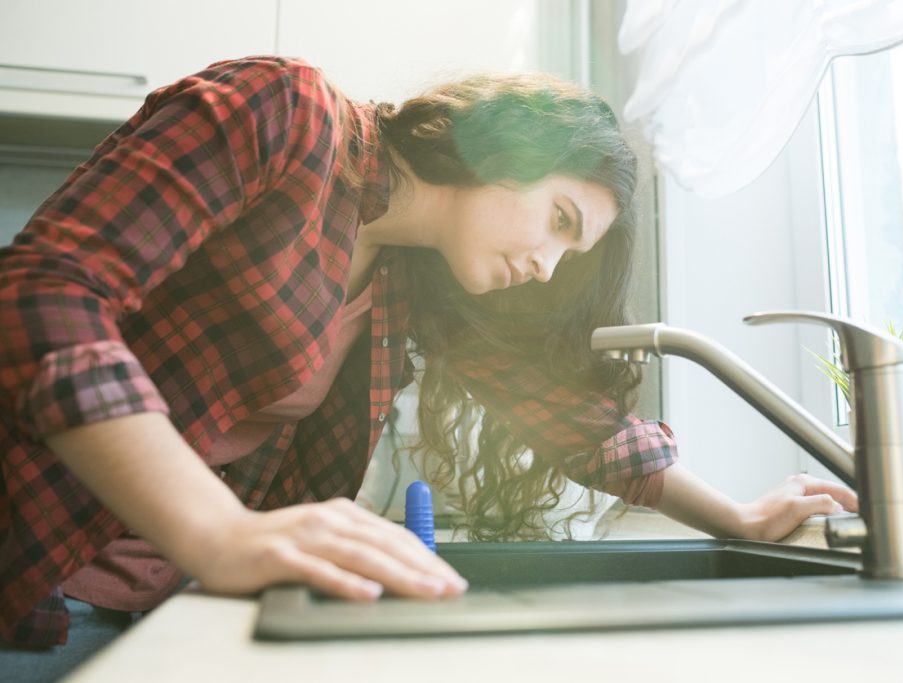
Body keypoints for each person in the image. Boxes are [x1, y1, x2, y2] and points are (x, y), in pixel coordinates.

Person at [0, 55, 857, 675]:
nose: (550, 266)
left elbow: (575, 422)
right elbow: (43, 294)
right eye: (559, 217)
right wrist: (220, 535)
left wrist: (737, 517)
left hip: (171, 607)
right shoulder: (285, 114)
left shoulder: (415, 281)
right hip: (29, 582)